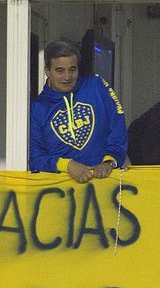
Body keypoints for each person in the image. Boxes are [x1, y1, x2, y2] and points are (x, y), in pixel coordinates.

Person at [29, 40, 127, 183]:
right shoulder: (37, 108)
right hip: (58, 191)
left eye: (72, 69)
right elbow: (34, 156)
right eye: (60, 70)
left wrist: (110, 161)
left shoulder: (96, 85)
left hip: (104, 184)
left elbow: (118, 126)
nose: (67, 77)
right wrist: (67, 165)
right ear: (47, 71)